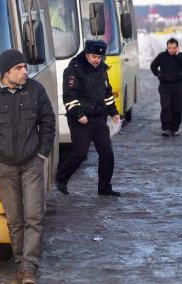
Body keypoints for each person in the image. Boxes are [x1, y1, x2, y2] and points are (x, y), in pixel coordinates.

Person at [0, 49, 56, 284]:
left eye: (25, 67)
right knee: (15, 218)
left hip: (31, 163)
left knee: (34, 215)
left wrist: (41, 154)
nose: (24, 72)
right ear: (6, 72)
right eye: (19, 68)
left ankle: (29, 267)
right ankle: (20, 260)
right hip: (4, 165)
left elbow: (48, 122)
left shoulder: (35, 90)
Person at [55, 40, 121, 197]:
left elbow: (107, 93)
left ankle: (104, 187)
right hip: (80, 119)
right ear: (86, 54)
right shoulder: (73, 70)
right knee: (80, 152)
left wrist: (113, 112)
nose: (96, 60)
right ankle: (61, 179)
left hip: (99, 118)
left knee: (107, 154)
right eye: (93, 56)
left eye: (99, 57)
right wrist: (79, 115)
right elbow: (69, 96)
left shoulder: (102, 70)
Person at [150, 37, 182, 136]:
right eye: (170, 48)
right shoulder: (162, 56)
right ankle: (166, 128)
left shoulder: (180, 56)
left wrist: (178, 56)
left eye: (174, 48)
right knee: (166, 107)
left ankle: (175, 128)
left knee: (177, 108)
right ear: (167, 47)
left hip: (178, 86)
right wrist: (158, 75)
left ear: (177, 48)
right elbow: (153, 66)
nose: (172, 50)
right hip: (165, 86)